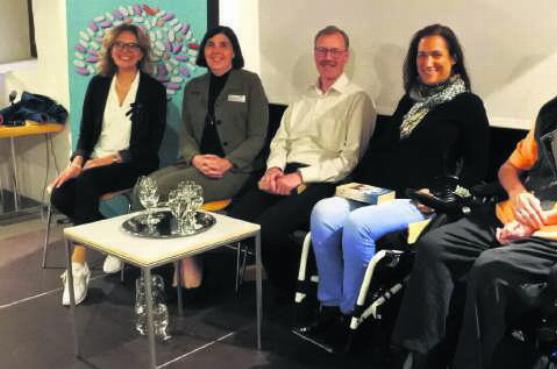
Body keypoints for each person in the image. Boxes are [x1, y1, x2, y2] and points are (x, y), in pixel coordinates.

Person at [393, 28, 557, 369]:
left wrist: (537, 221)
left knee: (489, 270)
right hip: (517, 214)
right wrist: (518, 194)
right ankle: (422, 354)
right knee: (434, 245)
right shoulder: (555, 119)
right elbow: (509, 168)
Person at [300, 24, 490, 345]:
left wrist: (445, 193)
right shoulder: (409, 100)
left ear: (454, 59)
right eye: (421, 55)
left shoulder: (468, 105)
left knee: (358, 225)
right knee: (324, 211)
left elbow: (478, 167)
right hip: (384, 193)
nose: (427, 62)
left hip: (424, 202)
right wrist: (354, 186)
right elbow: (384, 150)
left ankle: (352, 314)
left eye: (436, 54)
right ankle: (329, 304)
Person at [228, 25, 377, 299]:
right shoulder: (303, 97)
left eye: (334, 51)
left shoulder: (358, 100)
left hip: (323, 181)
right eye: (322, 50)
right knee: (237, 219)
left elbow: (348, 161)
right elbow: (280, 141)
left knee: (270, 230)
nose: (327, 57)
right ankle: (276, 272)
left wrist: (299, 177)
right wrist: (274, 168)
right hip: (284, 171)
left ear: (346, 56)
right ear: (314, 54)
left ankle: (291, 290)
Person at [138, 26, 269, 289]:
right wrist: (195, 158)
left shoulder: (249, 82)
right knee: (143, 188)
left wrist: (228, 161)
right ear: (203, 51)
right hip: (197, 164)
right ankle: (181, 255)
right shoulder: (194, 87)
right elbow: (186, 135)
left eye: (224, 44)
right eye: (210, 44)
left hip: (234, 171)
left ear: (234, 51)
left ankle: (187, 258)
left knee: (162, 192)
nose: (216, 50)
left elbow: (258, 136)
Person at [50, 24, 167, 305]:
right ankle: (112, 241)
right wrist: (77, 163)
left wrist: (97, 163)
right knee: (61, 194)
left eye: (132, 46)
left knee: (88, 183)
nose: (125, 51)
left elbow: (148, 147)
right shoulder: (98, 83)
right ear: (110, 49)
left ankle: (78, 266)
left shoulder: (153, 90)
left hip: (133, 163)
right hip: (93, 163)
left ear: (142, 53)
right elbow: (86, 133)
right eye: (119, 45)